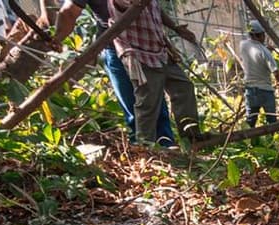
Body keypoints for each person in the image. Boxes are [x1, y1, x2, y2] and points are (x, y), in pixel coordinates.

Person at [40, 0, 176, 146]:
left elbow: (152, 6)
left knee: (154, 104)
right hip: (117, 47)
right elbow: (70, 12)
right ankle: (145, 151)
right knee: (135, 107)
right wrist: (58, 37)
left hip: (147, 45)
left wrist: (174, 27)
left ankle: (165, 148)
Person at [107, 0, 202, 144]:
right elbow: (124, 4)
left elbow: (157, 10)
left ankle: (191, 136)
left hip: (160, 50)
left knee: (184, 87)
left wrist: (176, 27)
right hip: (140, 54)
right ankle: (146, 147)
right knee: (148, 103)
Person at [237, 20, 279, 128]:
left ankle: (248, 142)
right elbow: (276, 72)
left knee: (250, 122)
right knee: (272, 121)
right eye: (263, 35)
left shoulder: (243, 45)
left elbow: (254, 46)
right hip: (265, 91)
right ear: (260, 35)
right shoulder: (264, 52)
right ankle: (273, 141)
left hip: (250, 90)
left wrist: (264, 46)